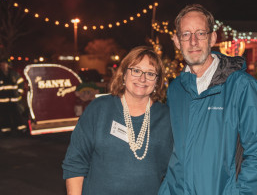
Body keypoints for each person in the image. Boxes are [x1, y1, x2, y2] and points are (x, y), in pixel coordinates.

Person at [158, 4, 257, 195]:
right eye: (186, 34)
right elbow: (174, 151)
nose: (193, 41)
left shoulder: (241, 86)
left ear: (212, 37)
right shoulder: (175, 90)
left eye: (200, 33)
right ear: (177, 41)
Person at [62, 46, 173, 195]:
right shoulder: (99, 109)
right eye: (136, 70)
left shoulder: (166, 118)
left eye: (150, 73)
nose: (142, 78)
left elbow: (174, 172)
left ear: (157, 81)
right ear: (123, 74)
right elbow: (75, 161)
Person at [0, 59, 27, 135]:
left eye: (4, 64)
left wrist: (19, 92)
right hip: (3, 101)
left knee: (17, 115)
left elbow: (21, 82)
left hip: (14, 100)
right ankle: (6, 131)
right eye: (1, 64)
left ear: (8, 65)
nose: (3, 66)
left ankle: (21, 129)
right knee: (4, 116)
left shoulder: (14, 74)